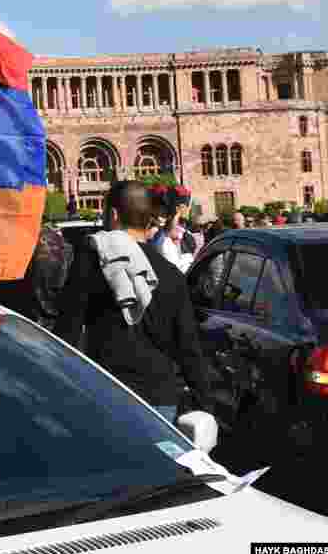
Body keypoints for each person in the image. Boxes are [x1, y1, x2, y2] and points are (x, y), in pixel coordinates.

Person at [54, 181, 212, 422]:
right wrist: (204, 407)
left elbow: (67, 331)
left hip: (109, 393)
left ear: (114, 215)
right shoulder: (171, 274)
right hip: (160, 397)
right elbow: (189, 348)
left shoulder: (91, 263)